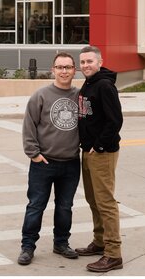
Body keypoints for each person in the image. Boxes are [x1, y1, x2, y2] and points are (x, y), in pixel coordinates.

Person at [16, 52, 81, 265]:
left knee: (65, 207)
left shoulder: (80, 96)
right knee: (36, 206)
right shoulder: (41, 95)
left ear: (74, 70)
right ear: (53, 70)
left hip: (71, 163)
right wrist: (33, 154)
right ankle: (27, 247)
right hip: (43, 163)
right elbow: (29, 126)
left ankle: (61, 243)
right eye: (60, 67)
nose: (64, 71)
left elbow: (90, 124)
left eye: (68, 67)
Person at [74, 45, 123, 272]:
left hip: (102, 152)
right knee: (93, 201)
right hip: (88, 151)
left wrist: (98, 144)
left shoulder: (104, 85)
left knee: (106, 203)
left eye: (89, 62)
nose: (85, 65)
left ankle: (113, 254)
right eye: (82, 62)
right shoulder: (89, 82)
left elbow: (115, 121)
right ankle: (100, 241)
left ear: (99, 62)